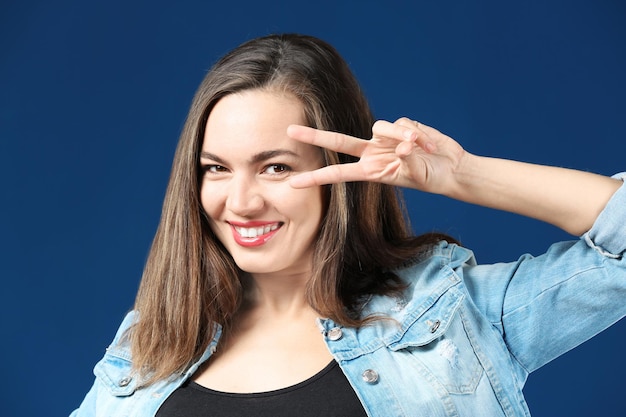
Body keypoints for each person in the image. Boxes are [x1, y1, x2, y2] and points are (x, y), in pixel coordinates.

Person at [70, 33, 625, 417]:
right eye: (216, 169)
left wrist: (462, 175)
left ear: (338, 175)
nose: (240, 201)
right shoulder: (152, 344)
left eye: (275, 168)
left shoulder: (449, 321)